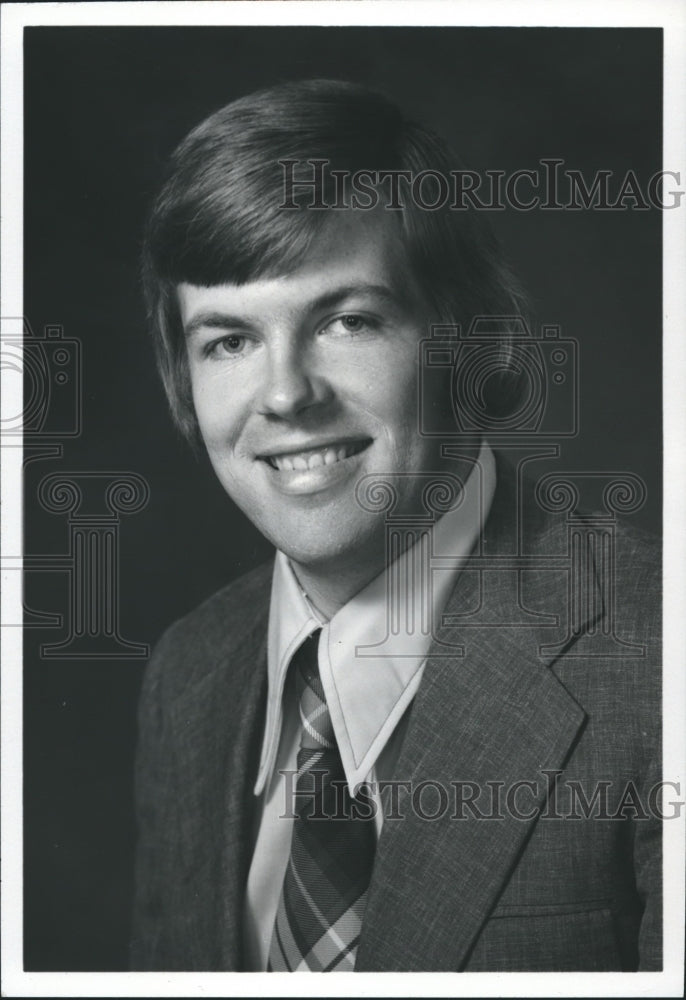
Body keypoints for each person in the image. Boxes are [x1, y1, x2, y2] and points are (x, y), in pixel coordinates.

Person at [130, 79, 661, 972]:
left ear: (463, 337)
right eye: (229, 341)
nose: (287, 394)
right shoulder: (187, 677)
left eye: (347, 320)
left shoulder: (657, 656)